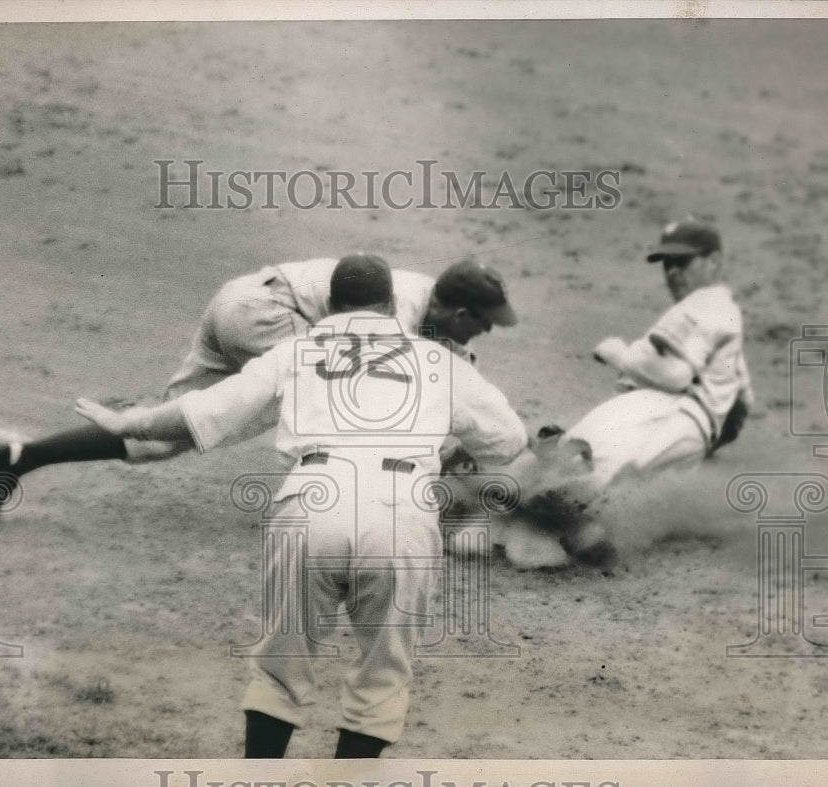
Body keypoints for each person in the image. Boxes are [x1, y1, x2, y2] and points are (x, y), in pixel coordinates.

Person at [74, 255, 528, 757]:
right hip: (402, 512)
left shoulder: (296, 348)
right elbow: (509, 440)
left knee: (279, 671)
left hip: (311, 501)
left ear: (330, 306)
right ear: (395, 304)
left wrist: (131, 423)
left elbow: (204, 410)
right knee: (381, 680)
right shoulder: (439, 361)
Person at [0, 254, 517, 518]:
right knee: (312, 404)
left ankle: (19, 458)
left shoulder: (430, 317)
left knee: (163, 437)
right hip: (268, 312)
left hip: (238, 301)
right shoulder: (393, 313)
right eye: (485, 322)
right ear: (463, 311)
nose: (486, 333)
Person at [442, 218, 754, 568]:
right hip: (665, 417)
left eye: (684, 262)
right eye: (668, 263)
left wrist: (622, 355)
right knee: (566, 464)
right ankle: (516, 531)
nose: (673, 272)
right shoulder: (713, 310)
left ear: (714, 262)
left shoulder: (707, 306)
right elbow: (739, 405)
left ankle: (551, 533)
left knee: (571, 472)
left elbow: (677, 375)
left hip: (670, 411)